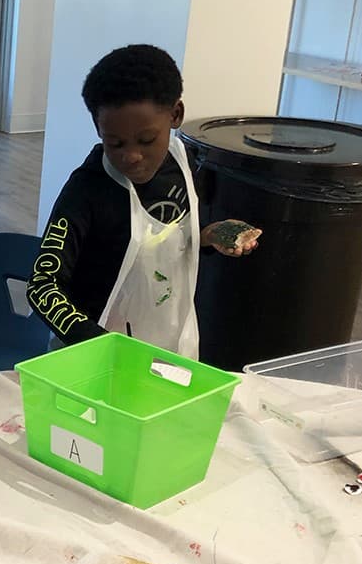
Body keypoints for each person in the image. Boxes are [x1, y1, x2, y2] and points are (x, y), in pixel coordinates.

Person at [27, 44, 259, 357]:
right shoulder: (87, 190)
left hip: (172, 346)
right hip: (91, 355)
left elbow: (168, 240)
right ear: (98, 128)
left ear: (176, 115)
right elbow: (42, 285)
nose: (132, 156)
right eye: (115, 143)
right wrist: (99, 343)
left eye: (147, 140)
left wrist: (211, 234)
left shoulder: (182, 163)